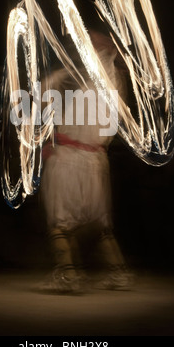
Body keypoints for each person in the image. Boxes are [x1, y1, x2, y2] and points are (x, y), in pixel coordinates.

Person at [39, 30, 134, 294]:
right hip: (95, 159)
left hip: (70, 157)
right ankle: (118, 273)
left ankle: (68, 275)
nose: (87, 41)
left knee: (59, 221)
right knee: (99, 223)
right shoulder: (113, 79)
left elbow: (48, 93)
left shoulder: (87, 75)